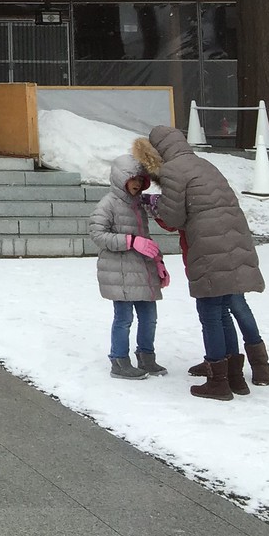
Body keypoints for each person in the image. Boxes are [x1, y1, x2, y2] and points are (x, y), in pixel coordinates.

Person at [137, 127, 268, 400]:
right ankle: (235, 377)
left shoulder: (173, 170)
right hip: (233, 241)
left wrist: (153, 205)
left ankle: (218, 382)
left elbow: (172, 218)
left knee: (210, 312)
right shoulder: (204, 164)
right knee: (223, 310)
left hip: (209, 247)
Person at [88, 152, 169, 380]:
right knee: (124, 318)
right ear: (120, 178)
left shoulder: (138, 205)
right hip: (119, 271)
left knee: (149, 317)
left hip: (142, 271)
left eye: (140, 180)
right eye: (132, 179)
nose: (137, 184)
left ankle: (146, 356)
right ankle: (119, 360)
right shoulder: (108, 204)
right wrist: (130, 241)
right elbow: (97, 233)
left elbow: (146, 237)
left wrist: (158, 263)